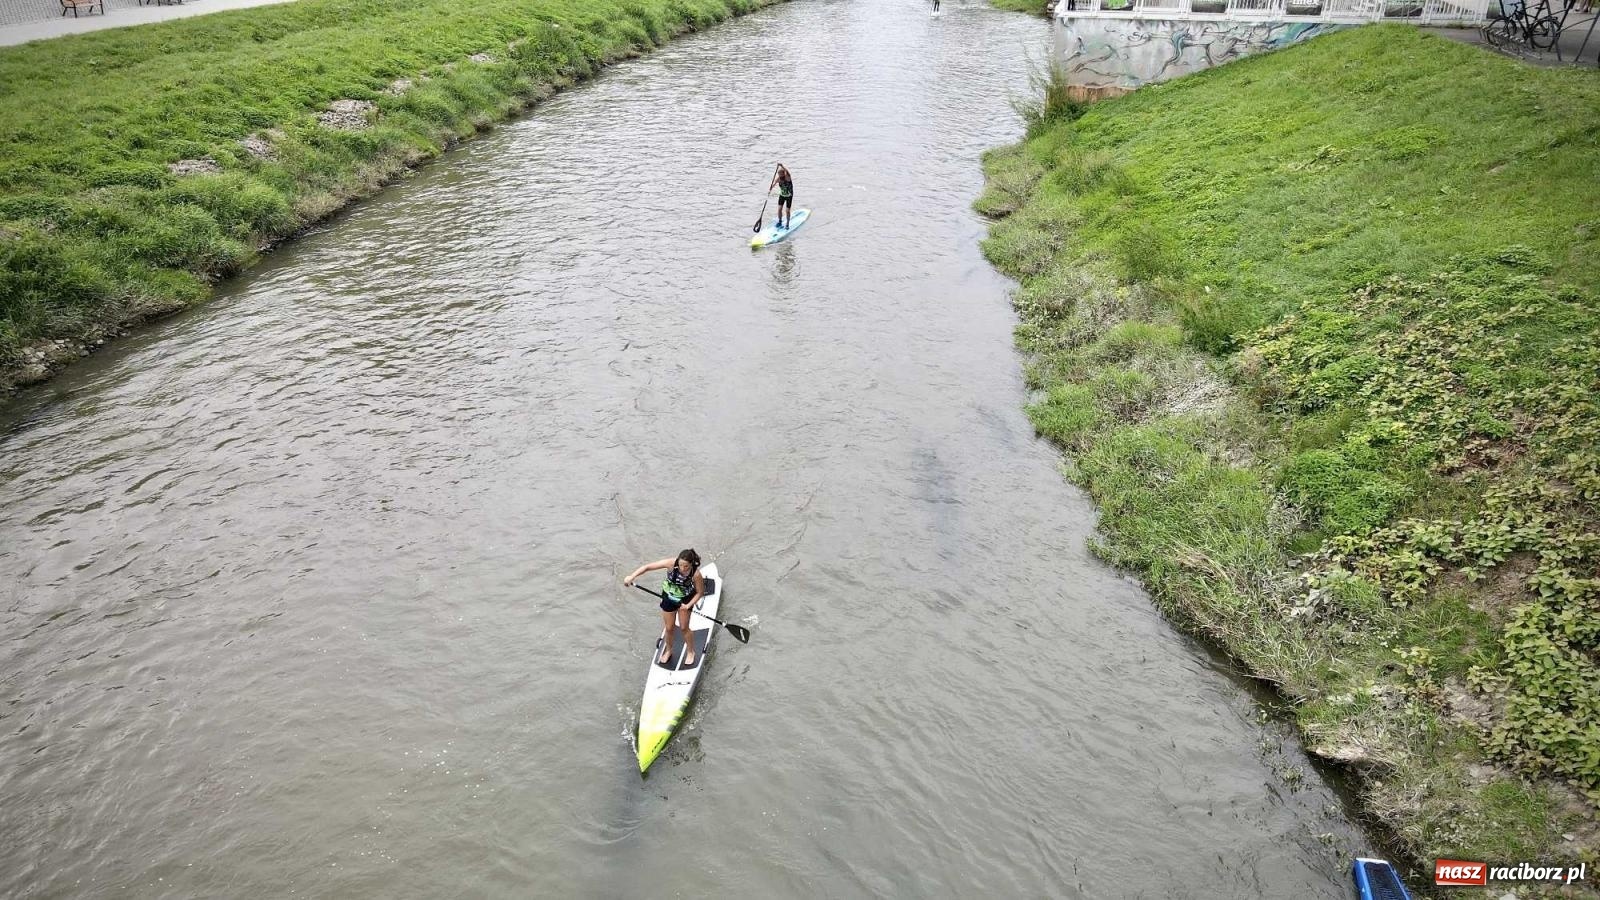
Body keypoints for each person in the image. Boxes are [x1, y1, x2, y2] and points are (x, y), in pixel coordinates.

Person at [623, 549, 706, 666]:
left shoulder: (696, 574)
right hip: (669, 597)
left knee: (684, 627)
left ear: (691, 564)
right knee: (669, 627)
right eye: (680, 565)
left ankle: (690, 652)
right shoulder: (671, 563)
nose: (682, 568)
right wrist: (632, 576)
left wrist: (688, 605)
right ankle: (668, 650)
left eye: (686, 566)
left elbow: (700, 592)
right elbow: (647, 567)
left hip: (685, 600)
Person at [770, 164, 794, 230]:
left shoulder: (787, 178)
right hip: (782, 195)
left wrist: (782, 166)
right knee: (779, 209)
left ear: (784, 174)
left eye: (781, 174)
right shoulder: (779, 179)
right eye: (779, 174)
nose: (780, 176)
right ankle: (780, 221)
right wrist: (771, 188)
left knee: (787, 211)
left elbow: (788, 172)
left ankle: (787, 224)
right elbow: (774, 184)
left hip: (789, 196)